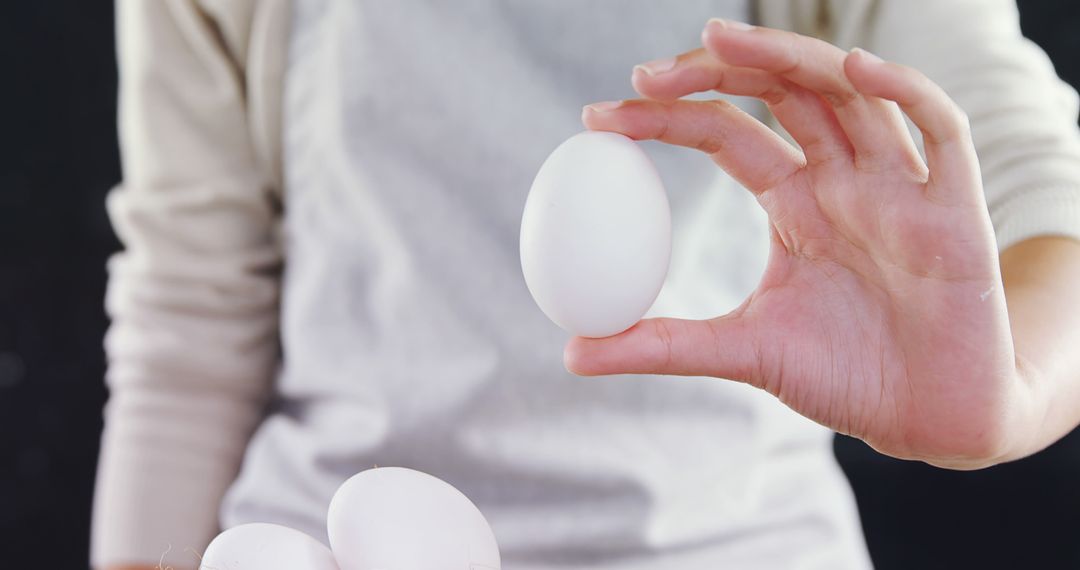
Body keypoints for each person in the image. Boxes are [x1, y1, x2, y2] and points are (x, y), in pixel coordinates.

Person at [92, 0, 1080, 568]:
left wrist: (1011, 386)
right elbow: (191, 306)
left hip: (730, 547)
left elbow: (1044, 182)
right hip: (332, 546)